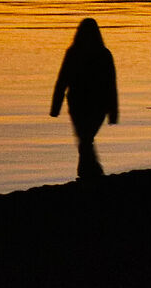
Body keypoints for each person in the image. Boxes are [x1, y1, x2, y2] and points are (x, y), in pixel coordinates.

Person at [49, 18, 119, 179]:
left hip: (92, 105)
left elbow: (110, 84)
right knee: (85, 138)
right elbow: (63, 80)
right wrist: (55, 106)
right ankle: (91, 171)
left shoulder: (97, 54)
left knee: (85, 138)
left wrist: (113, 111)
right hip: (81, 105)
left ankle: (88, 172)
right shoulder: (96, 53)